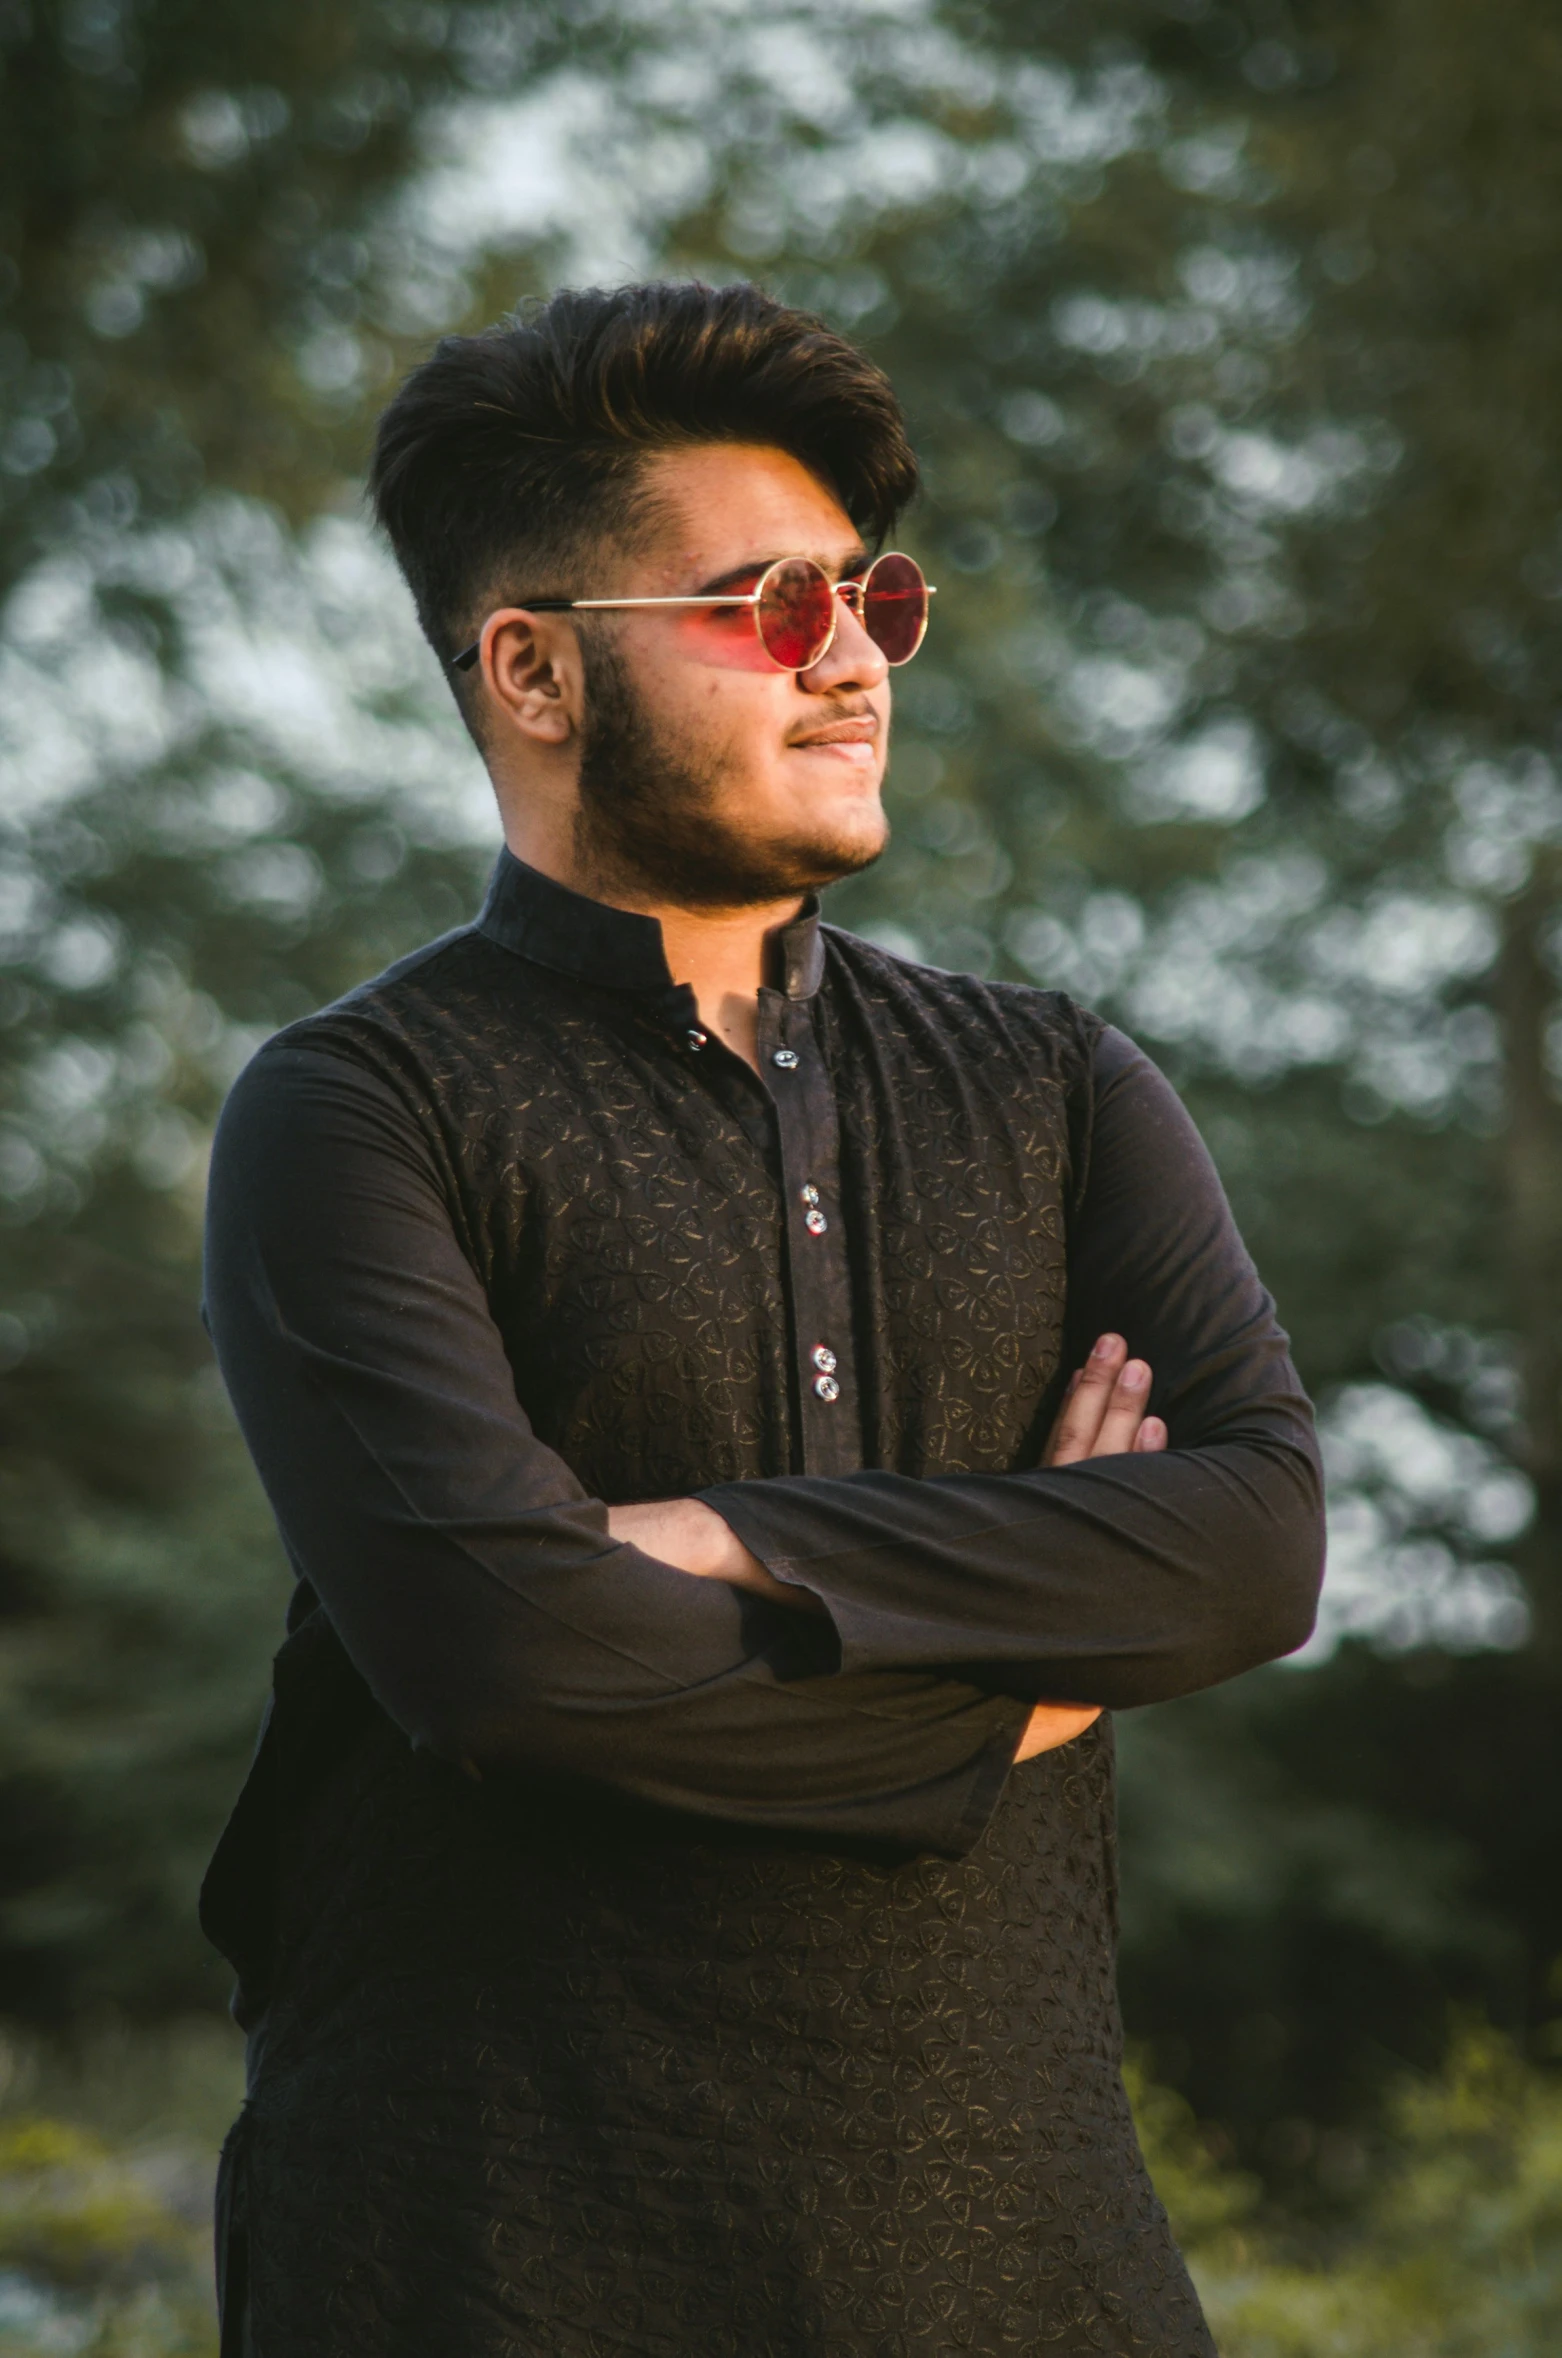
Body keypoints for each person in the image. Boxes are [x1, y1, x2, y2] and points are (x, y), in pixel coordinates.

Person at [201, 279, 1323, 2358]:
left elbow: (1254, 1545)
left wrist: (733, 1539)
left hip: (1024, 2263)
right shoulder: (355, 1110)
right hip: (482, 2255)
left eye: (872, 601)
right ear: (531, 668)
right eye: (766, 606)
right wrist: (1032, 1676)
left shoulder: (1057, 1086)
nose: (852, 667)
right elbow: (513, 1659)